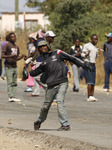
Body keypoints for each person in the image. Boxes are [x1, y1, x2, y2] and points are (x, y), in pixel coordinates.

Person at [29, 40, 91, 131]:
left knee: (59, 101)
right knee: (45, 106)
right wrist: (28, 68)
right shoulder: (43, 63)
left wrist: (84, 65)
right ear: (39, 50)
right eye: (41, 47)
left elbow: (72, 58)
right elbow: (33, 73)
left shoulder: (58, 53)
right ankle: (39, 121)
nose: (43, 48)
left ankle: (65, 125)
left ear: (48, 46)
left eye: (44, 46)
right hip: (51, 86)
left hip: (63, 82)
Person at [2, 32, 26, 102]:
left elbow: (16, 58)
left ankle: (14, 96)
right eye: (12, 37)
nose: (14, 38)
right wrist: (9, 56)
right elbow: (2, 55)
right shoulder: (7, 45)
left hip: (14, 66)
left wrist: (21, 56)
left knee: (14, 82)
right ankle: (10, 96)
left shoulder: (16, 47)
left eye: (14, 37)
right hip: (8, 66)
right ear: (9, 38)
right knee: (10, 82)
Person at [81, 34, 100, 102]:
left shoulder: (95, 47)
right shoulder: (87, 45)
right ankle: (89, 96)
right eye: (95, 39)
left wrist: (98, 54)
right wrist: (86, 54)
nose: (96, 41)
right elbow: (82, 54)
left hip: (93, 64)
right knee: (89, 81)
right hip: (88, 64)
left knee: (93, 81)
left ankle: (92, 95)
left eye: (97, 39)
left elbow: (95, 57)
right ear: (91, 39)